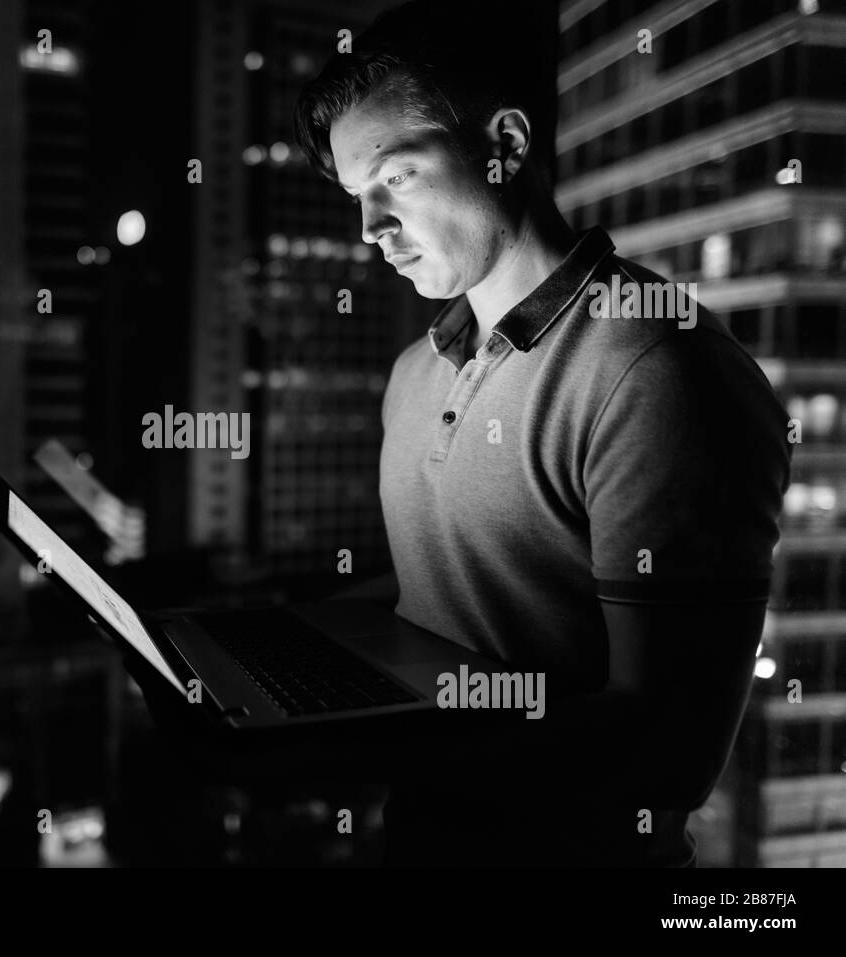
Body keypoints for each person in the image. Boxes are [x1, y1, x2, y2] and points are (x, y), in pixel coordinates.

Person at [281, 0, 792, 865]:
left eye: (394, 178)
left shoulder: (661, 372)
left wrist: (348, 748)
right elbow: (454, 601)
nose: (368, 230)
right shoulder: (414, 371)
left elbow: (665, 752)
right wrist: (269, 638)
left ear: (505, 146)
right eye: (353, 197)